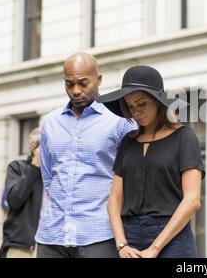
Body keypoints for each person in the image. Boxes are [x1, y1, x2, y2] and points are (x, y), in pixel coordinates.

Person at [96, 65, 204, 258]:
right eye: (130, 106)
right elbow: (114, 200)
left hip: (173, 237)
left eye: (142, 103)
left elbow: (192, 200)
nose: (136, 111)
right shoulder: (127, 142)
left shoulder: (184, 137)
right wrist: (122, 245)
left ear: (157, 101)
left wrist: (155, 248)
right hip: (129, 238)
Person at [35, 52, 135, 258]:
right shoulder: (50, 122)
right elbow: (48, 176)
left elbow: (132, 179)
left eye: (83, 83)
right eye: (69, 84)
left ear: (99, 79)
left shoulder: (120, 121)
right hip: (52, 237)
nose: (76, 91)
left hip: (99, 236)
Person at [0, 128, 43, 258]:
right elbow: (15, 201)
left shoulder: (54, 172)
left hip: (50, 246)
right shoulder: (17, 167)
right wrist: (35, 165)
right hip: (21, 247)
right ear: (34, 147)